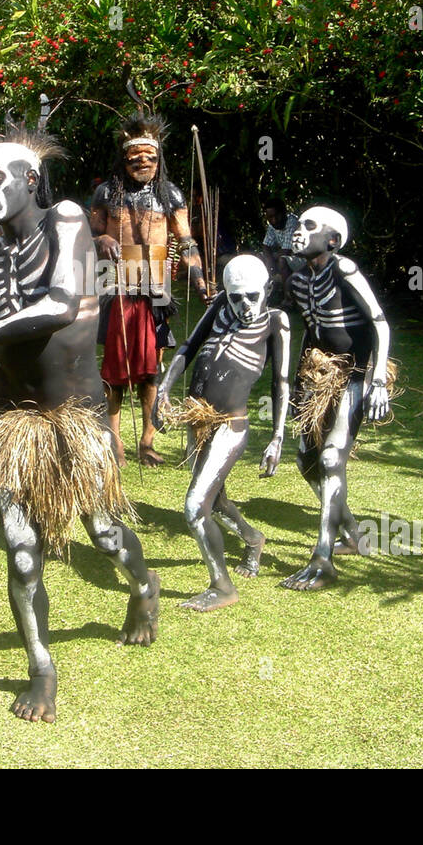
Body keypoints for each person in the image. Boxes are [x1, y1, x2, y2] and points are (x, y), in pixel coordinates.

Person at [0, 128, 160, 724]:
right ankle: (42, 668)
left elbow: (61, 304)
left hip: (76, 418)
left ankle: (144, 588)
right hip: (14, 423)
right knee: (22, 552)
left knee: (104, 533)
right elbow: (11, 332)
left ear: (29, 181)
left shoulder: (64, 219)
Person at [153, 254, 290, 611]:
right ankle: (253, 538)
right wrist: (164, 391)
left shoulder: (276, 322)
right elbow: (188, 348)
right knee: (216, 500)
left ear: (268, 291)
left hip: (231, 425)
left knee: (196, 506)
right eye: (236, 297)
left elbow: (281, 383)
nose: (244, 305)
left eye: (252, 296)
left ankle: (222, 586)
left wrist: (277, 438)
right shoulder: (219, 308)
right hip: (200, 421)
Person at [90, 109, 209, 466]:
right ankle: (114, 443)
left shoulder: (170, 195)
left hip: (155, 285)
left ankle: (147, 440)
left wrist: (200, 280)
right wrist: (105, 238)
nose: (143, 163)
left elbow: (186, 242)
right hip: (117, 286)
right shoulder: (107, 192)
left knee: (150, 369)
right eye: (135, 158)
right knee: (115, 368)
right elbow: (91, 233)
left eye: (150, 158)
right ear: (123, 160)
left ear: (159, 160)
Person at [284, 206, 395, 589]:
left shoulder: (343, 270)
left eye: (309, 226)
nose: (299, 231)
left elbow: (379, 322)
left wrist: (378, 379)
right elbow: (310, 333)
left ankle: (324, 557)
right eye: (298, 224)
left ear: (332, 240)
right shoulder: (298, 281)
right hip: (320, 375)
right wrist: (299, 381)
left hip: (356, 374)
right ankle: (352, 534)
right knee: (305, 459)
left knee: (332, 457)